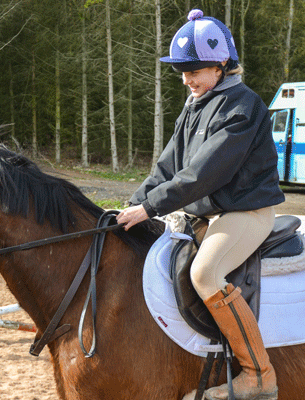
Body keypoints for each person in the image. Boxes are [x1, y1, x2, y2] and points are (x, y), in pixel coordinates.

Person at [116, 9, 283, 400]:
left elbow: (203, 174)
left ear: (222, 64)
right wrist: (131, 204)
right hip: (208, 214)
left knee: (205, 274)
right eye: (183, 71)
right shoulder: (195, 106)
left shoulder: (244, 106)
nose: (187, 79)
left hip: (246, 211)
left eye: (195, 70)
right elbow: (167, 166)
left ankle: (259, 375)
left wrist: (151, 207)